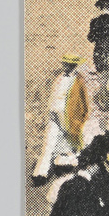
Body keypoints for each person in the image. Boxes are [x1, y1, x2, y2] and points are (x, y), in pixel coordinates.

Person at [35, 54, 88, 183]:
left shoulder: (60, 78)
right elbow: (81, 100)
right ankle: (73, 169)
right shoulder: (76, 79)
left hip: (54, 111)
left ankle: (41, 173)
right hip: (64, 113)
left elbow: (54, 98)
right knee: (73, 141)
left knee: (50, 143)